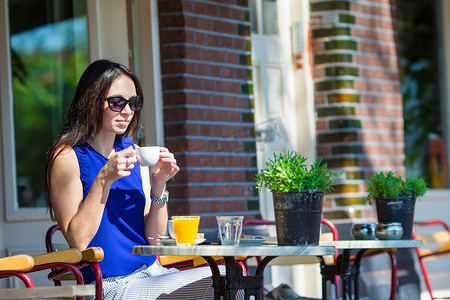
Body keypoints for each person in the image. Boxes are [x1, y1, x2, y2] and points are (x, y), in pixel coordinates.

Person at [45, 59, 237, 299]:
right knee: (226, 283)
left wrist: (159, 186)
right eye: (117, 102)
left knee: (232, 277)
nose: (127, 111)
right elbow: (78, 240)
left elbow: (153, 239)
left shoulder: (134, 152)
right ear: (91, 101)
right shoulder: (67, 156)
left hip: (152, 273)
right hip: (111, 284)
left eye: (134, 103)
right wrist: (104, 178)